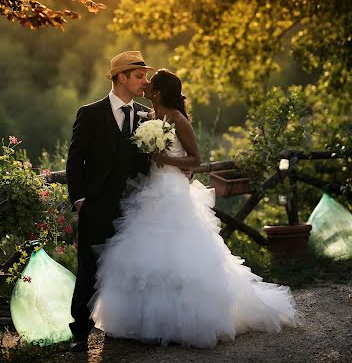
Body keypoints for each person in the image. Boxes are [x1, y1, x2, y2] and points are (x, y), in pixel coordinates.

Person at [89, 69, 300, 348]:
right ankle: (144, 321)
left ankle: (186, 321)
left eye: (150, 84)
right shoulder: (149, 118)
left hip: (174, 192)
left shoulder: (178, 120)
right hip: (150, 190)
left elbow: (196, 160)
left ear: (159, 93)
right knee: (145, 253)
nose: (146, 85)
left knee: (181, 256)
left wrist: (165, 158)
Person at [66, 50, 154, 352]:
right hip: (96, 204)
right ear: (121, 77)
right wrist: (79, 200)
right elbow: (75, 160)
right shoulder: (89, 113)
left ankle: (124, 326)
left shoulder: (147, 115)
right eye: (139, 76)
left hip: (134, 207)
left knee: (132, 266)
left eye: (145, 76)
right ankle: (80, 331)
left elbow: (147, 163)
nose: (145, 81)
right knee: (89, 267)